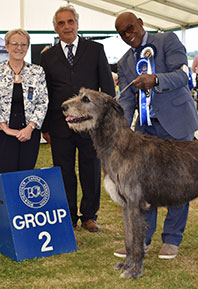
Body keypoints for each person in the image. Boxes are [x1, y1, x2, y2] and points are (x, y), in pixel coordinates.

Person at [114, 12, 198, 259]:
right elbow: (128, 98)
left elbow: (184, 75)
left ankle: (172, 239)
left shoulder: (167, 41)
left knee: (179, 184)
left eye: (130, 28)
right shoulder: (124, 61)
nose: (128, 35)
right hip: (145, 130)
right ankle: (141, 241)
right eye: (122, 34)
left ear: (140, 23)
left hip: (177, 124)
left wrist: (156, 79)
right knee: (143, 189)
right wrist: (121, 125)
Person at [40, 5, 115, 232]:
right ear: (55, 28)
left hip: (90, 125)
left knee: (90, 168)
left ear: (77, 24)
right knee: (63, 170)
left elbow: (107, 87)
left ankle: (89, 216)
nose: (66, 27)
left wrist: (105, 121)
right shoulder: (47, 56)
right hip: (59, 125)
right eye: (61, 23)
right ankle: (68, 215)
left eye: (70, 21)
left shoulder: (95, 49)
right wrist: (45, 126)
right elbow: (45, 93)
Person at [0, 29, 48, 173]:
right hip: (3, 133)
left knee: (26, 175)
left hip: (29, 133)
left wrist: (30, 128)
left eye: (23, 44)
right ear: (7, 46)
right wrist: (6, 128)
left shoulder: (37, 71)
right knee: (4, 176)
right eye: (14, 43)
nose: (19, 48)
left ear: (27, 47)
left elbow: (43, 102)